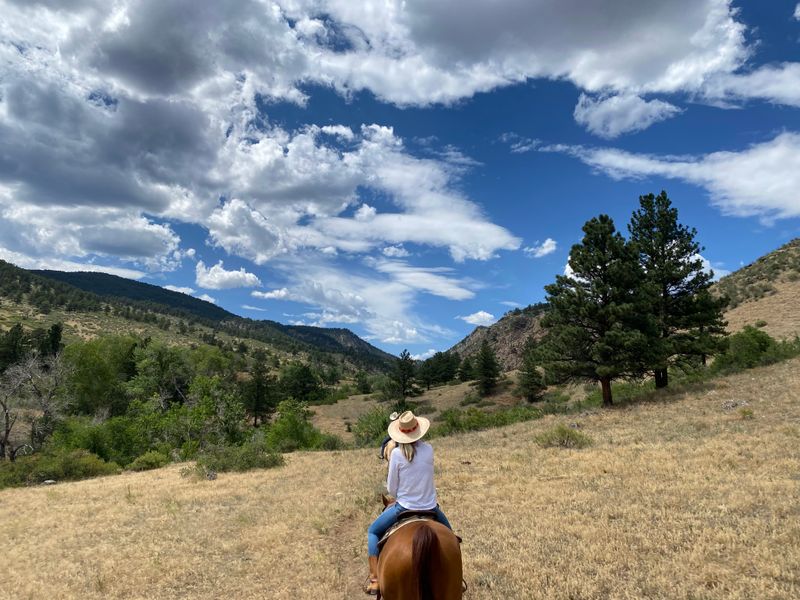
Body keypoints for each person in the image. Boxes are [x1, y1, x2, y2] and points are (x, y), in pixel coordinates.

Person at [364, 410, 453, 595]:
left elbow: (392, 489)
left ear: (400, 433)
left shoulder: (396, 454)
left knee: (372, 531)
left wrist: (402, 494)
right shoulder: (429, 450)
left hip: (403, 508)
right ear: (418, 430)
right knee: (451, 538)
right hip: (431, 508)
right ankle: (454, 578)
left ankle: (374, 579)